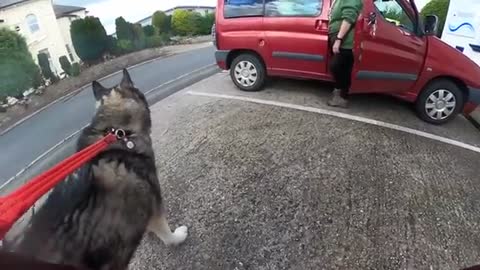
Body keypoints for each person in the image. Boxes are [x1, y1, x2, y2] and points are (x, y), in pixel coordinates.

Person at [327, 0, 363, 108]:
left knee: (338, 66)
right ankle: (339, 94)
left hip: (346, 40)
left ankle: (342, 97)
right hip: (339, 37)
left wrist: (339, 39)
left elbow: (349, 18)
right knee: (340, 67)